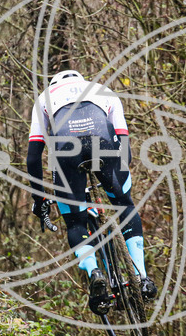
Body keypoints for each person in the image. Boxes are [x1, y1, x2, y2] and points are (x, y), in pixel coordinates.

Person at [25, 69, 156, 314]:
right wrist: (119, 181)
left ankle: (95, 272)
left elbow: (33, 157)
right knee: (125, 205)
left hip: (66, 151)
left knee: (75, 221)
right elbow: (123, 142)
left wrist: (39, 196)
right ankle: (142, 277)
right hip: (103, 143)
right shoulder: (103, 90)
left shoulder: (44, 98)